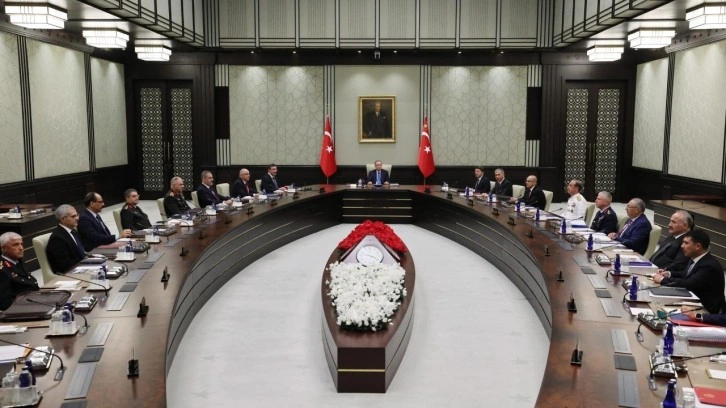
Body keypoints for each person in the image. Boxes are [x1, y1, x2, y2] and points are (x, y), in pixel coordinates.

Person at [653, 229, 725, 314]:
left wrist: (662, 279)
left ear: (697, 246)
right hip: (691, 301)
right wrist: (668, 274)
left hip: (705, 310)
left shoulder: (709, 265)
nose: (682, 246)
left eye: (686, 243)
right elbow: (686, 274)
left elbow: (689, 284)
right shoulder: (695, 258)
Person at [0, 232, 39, 309]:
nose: (21, 248)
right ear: (4, 248)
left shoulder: (18, 260)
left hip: (33, 298)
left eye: (21, 244)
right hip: (21, 307)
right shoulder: (2, 270)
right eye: (15, 245)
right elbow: (5, 303)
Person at [650, 210, 693, 276]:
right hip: (651, 269)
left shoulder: (686, 243)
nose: (669, 225)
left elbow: (678, 265)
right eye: (670, 221)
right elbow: (658, 254)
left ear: (684, 226)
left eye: (673, 222)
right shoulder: (672, 236)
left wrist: (660, 272)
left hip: (661, 275)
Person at [46, 204, 86, 273]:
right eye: (73, 216)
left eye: (77, 215)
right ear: (63, 219)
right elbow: (65, 265)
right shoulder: (57, 238)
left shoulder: (73, 231)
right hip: (69, 273)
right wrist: (86, 264)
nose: (77, 218)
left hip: (81, 266)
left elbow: (81, 253)